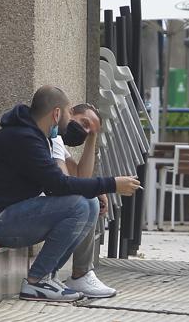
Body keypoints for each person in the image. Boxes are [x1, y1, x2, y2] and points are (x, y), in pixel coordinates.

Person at [0, 85, 140, 302]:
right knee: (78, 205)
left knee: (89, 204)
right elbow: (58, 185)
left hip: (9, 215)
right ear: (57, 114)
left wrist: (99, 188)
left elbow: (60, 184)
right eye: (68, 114)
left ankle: (49, 276)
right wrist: (111, 184)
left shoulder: (34, 136)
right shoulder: (24, 138)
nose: (69, 121)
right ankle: (37, 282)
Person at [50, 103, 116, 298]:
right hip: (25, 209)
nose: (84, 130)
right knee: (86, 200)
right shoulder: (51, 137)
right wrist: (102, 186)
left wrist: (93, 136)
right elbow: (68, 184)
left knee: (89, 199)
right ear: (70, 113)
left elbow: (81, 176)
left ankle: (80, 274)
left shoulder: (58, 141)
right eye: (84, 122)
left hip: (41, 205)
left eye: (88, 130)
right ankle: (75, 274)